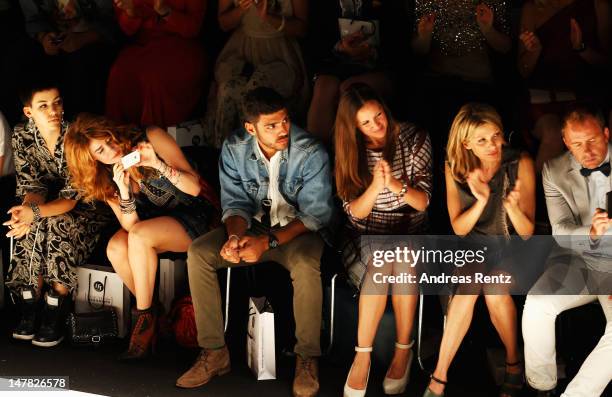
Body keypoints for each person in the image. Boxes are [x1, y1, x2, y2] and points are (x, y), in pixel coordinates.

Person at [176, 87, 333, 397]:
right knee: (200, 253)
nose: (283, 130)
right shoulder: (234, 148)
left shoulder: (310, 151)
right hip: (255, 228)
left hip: (297, 232)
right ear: (251, 128)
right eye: (271, 125)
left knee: (305, 264)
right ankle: (214, 352)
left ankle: (306, 358)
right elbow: (235, 205)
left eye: (285, 121)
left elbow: (316, 215)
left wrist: (268, 242)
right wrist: (234, 237)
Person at [64, 113, 219, 360]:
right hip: (149, 229)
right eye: (101, 151)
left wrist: (158, 164)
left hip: (196, 214)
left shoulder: (150, 138)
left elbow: (195, 187)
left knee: (138, 236)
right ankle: (154, 314)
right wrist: (124, 192)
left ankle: (144, 324)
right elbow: (131, 225)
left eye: (110, 140)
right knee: (116, 247)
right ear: (92, 161)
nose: (112, 150)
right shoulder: (104, 177)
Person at [423, 103, 536, 397]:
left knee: (495, 288)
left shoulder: (519, 161)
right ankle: (439, 376)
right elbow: (459, 228)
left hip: (514, 246)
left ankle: (513, 364)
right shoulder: (454, 165)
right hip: (474, 246)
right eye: (483, 140)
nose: (493, 145)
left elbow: (527, 233)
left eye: (496, 136)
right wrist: (482, 201)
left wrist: (512, 209)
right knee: (469, 285)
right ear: (466, 143)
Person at [334, 83, 432, 397]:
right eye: (366, 122)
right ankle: (362, 356)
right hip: (365, 238)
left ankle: (403, 350)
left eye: (379, 116)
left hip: (410, 234)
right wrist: (376, 187)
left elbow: (423, 202)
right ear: (354, 128)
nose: (377, 125)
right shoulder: (349, 151)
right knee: (382, 258)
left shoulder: (414, 138)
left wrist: (395, 184)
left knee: (400, 254)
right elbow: (354, 215)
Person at [3, 83, 110, 347]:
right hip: (50, 202)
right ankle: (31, 302)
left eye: (57, 103)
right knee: (29, 226)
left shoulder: (76, 135)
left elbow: (71, 199)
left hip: (87, 206)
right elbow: (33, 186)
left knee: (57, 222)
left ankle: (56, 307)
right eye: (44, 106)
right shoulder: (22, 135)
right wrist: (25, 212)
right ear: (29, 112)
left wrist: (35, 212)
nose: (54, 111)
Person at [522, 105, 612, 397]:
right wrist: (592, 232)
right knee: (537, 305)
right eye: (577, 144)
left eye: (593, 140)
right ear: (565, 143)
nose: (586, 151)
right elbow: (560, 231)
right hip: (580, 259)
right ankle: (542, 387)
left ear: (607, 133)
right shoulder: (554, 170)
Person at [518, 0, 611, 172]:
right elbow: (523, 71)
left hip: (584, 98)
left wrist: (581, 49)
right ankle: (535, 195)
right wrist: (534, 52)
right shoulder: (532, 8)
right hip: (543, 99)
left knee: (586, 134)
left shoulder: (598, 5)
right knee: (553, 135)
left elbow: (606, 64)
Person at [203, 0, 309, 148]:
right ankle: (224, 153)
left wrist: (268, 17)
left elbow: (302, 28)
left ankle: (258, 154)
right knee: (229, 88)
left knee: (257, 91)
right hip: (243, 47)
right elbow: (224, 23)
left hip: (279, 51)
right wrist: (241, 9)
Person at [306, 0, 407, 145]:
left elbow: (401, 42)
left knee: (349, 89)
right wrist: (339, 48)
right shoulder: (323, 5)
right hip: (336, 64)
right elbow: (316, 40)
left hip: (379, 66)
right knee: (324, 87)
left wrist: (372, 52)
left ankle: (351, 153)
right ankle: (318, 158)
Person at [5, 0, 118, 119]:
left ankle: (82, 126)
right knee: (17, 58)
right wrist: (43, 37)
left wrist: (84, 38)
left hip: (95, 41)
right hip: (54, 39)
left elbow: (113, 23)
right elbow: (33, 20)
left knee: (82, 64)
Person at [106, 0, 206, 127]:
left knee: (153, 78)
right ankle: (119, 137)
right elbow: (127, 30)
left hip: (182, 45)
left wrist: (165, 11)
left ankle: (156, 138)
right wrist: (130, 11)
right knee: (118, 72)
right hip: (144, 44)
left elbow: (193, 28)